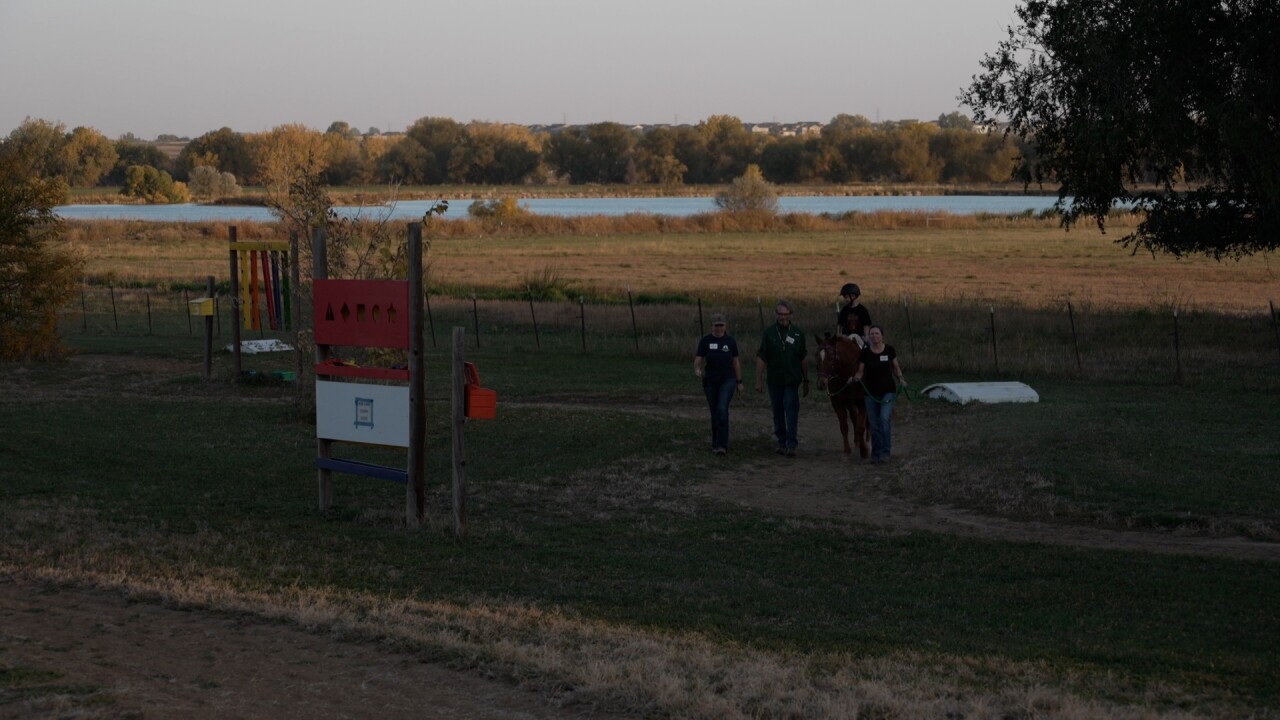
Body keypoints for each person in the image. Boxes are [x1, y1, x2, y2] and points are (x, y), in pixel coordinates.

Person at [755, 299, 809, 457]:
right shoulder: (769, 333)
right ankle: (781, 441)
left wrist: (806, 381)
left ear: (791, 314)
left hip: (792, 380)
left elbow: (803, 358)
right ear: (776, 314)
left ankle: (791, 443)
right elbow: (761, 356)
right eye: (780, 314)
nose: (783, 317)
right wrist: (758, 379)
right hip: (775, 379)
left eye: (786, 314)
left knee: (791, 410)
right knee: (777, 411)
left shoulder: (798, 333)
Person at [853, 324, 907, 464]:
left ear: (882, 336)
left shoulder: (889, 350)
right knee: (874, 424)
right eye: (872, 334)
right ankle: (875, 454)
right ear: (869, 336)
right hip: (870, 393)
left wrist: (901, 379)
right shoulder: (865, 352)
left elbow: (896, 367)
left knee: (884, 419)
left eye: (877, 333)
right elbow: (860, 370)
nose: (874, 336)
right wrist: (856, 377)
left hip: (888, 391)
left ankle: (885, 452)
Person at [694, 314, 743, 455]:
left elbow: (736, 362)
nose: (719, 328)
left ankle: (722, 445)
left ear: (725, 326)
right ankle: (715, 442)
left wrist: (739, 382)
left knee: (722, 409)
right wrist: (697, 369)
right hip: (710, 381)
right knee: (715, 412)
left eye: (721, 325)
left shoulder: (730, 341)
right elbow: (698, 359)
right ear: (712, 326)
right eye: (716, 325)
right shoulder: (705, 341)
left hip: (727, 380)